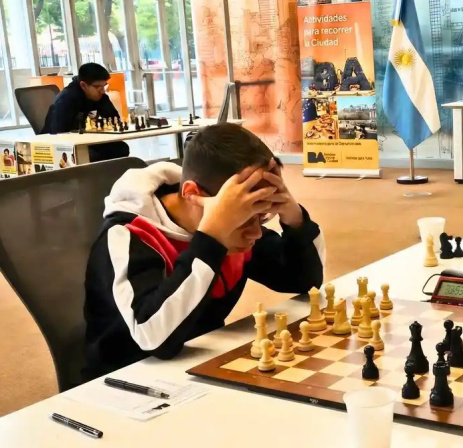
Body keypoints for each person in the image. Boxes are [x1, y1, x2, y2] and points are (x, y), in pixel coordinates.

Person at [82, 122, 325, 381]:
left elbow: (304, 282)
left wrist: (293, 218)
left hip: (199, 368)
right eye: (243, 217)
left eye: (262, 216)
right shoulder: (129, 235)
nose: (255, 232)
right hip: (126, 380)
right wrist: (211, 238)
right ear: (192, 194)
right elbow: (154, 339)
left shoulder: (238, 230)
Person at [41, 62, 130, 162]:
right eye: (98, 87)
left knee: (121, 148)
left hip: (87, 140)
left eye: (104, 86)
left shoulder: (100, 96)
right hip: (61, 146)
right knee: (89, 155)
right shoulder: (66, 100)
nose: (102, 91)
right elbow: (59, 133)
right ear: (83, 85)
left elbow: (114, 120)